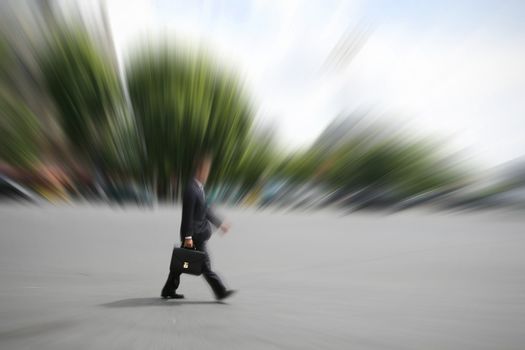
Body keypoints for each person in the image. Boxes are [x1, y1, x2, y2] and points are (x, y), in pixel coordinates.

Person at [161, 153, 236, 301]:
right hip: (194, 235)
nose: (207, 173)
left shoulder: (199, 188)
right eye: (206, 170)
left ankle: (168, 289)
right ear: (199, 170)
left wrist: (220, 224)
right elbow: (187, 215)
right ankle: (220, 291)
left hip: (197, 234)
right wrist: (188, 237)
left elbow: (206, 210)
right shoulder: (191, 189)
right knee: (205, 265)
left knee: (180, 264)